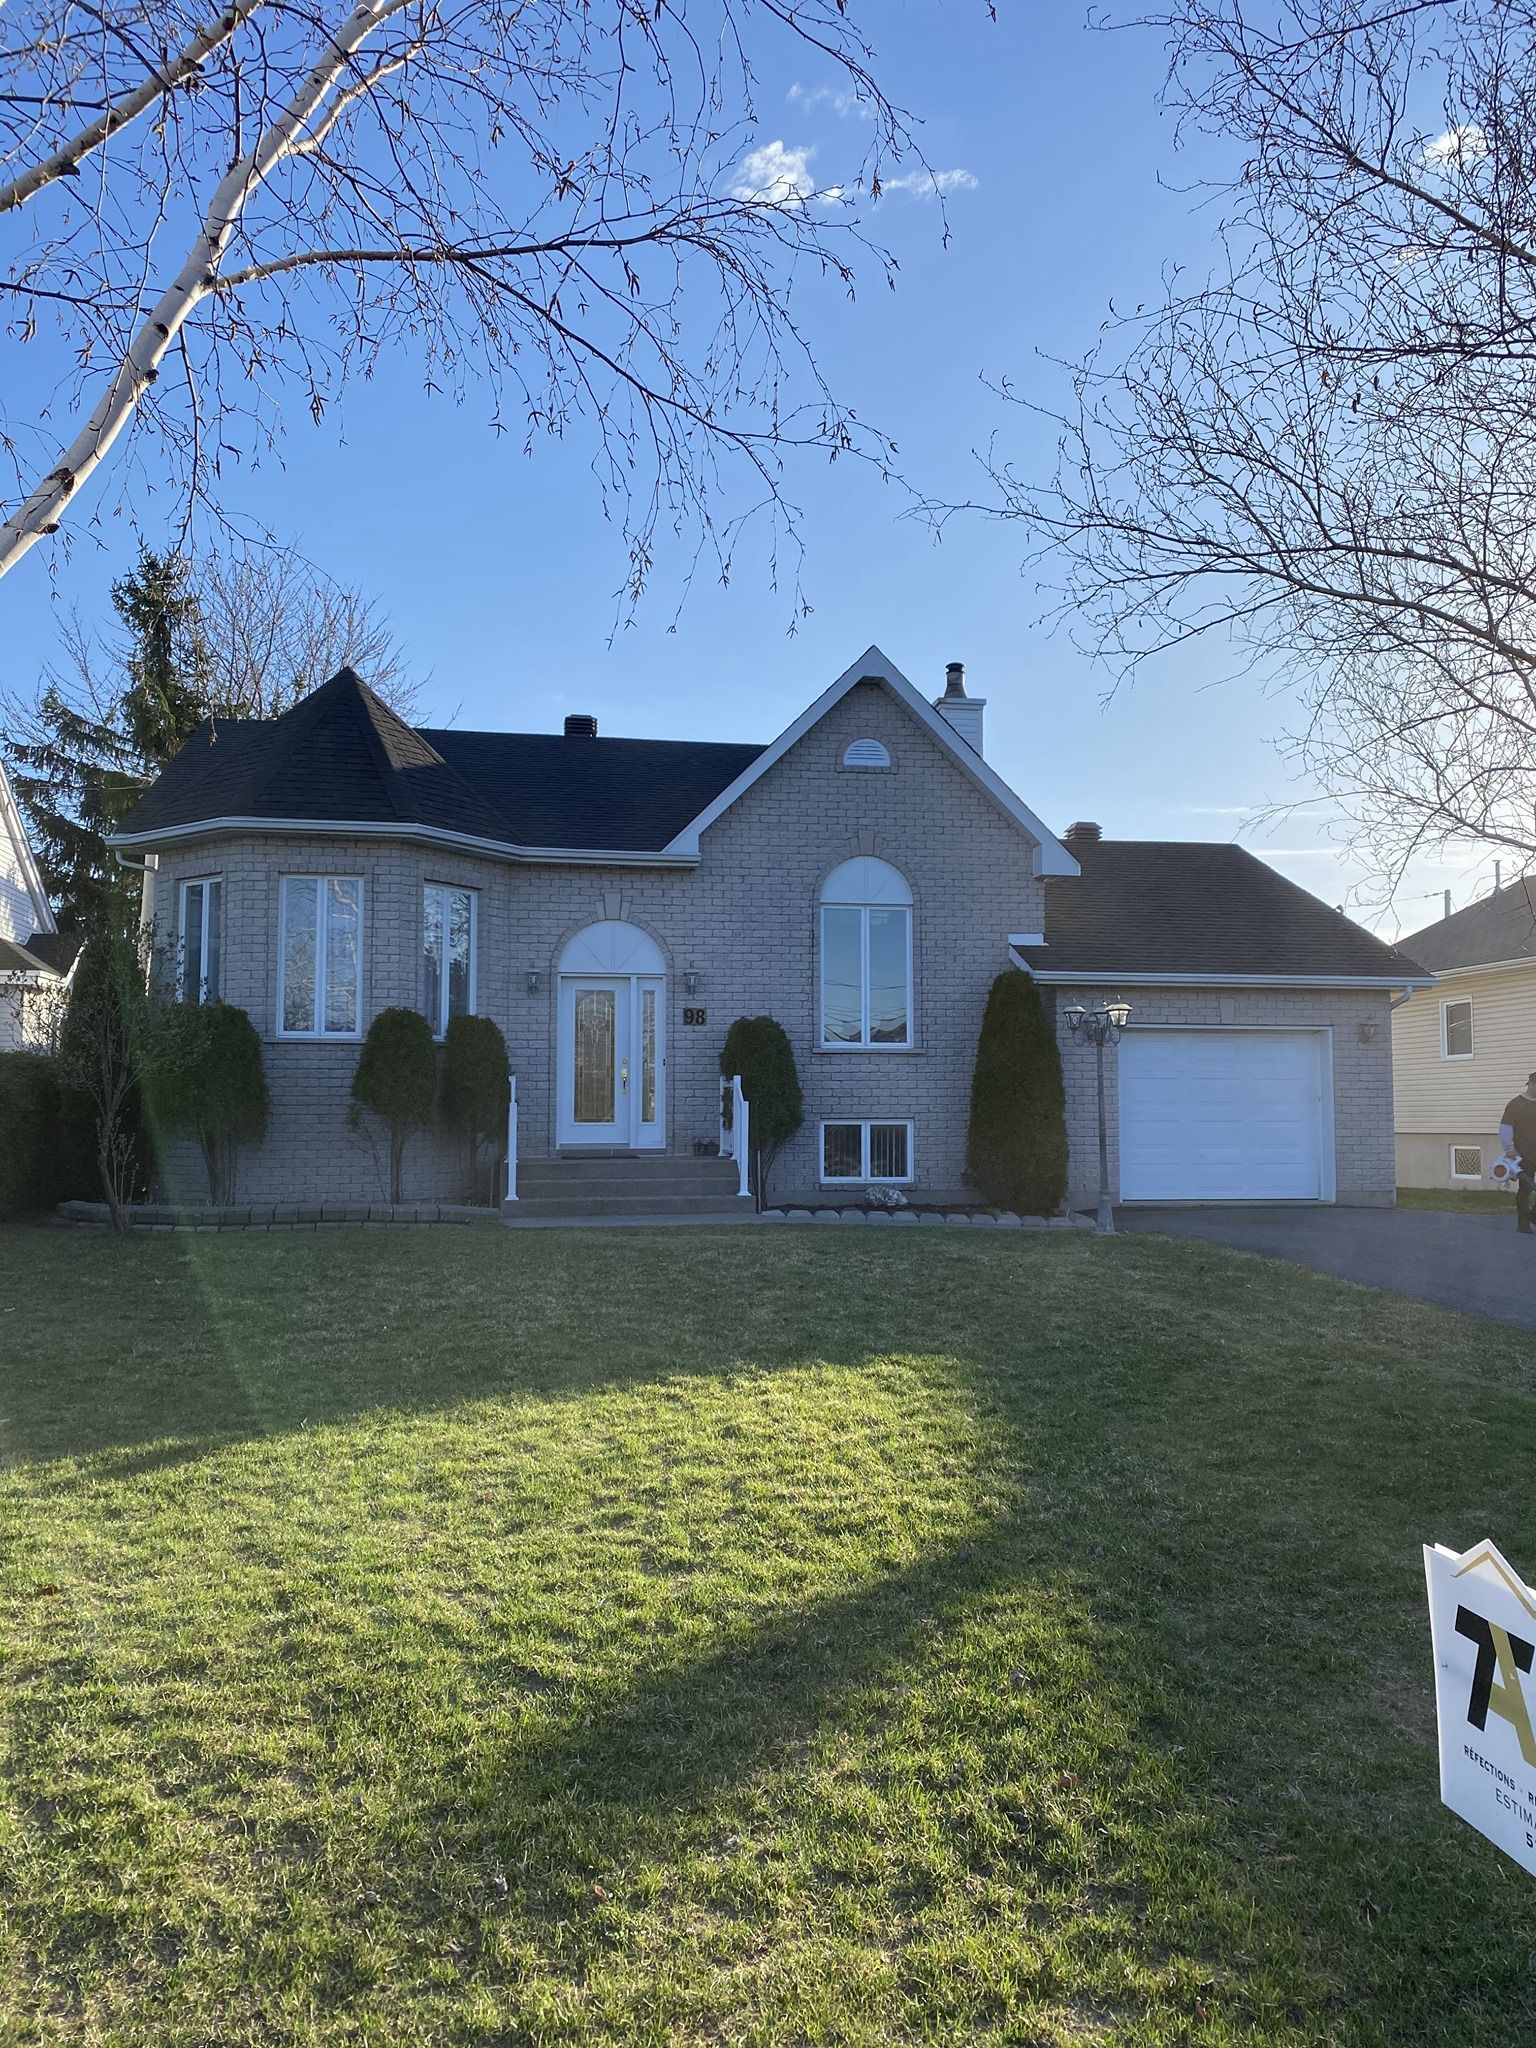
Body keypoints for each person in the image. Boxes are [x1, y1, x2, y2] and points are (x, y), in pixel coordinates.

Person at [1498, 1073, 1536, 1234]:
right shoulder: (1515, 1104)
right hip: (1523, 1154)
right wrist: (1509, 1149)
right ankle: (1523, 1222)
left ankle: (1533, 1215)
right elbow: (1505, 1127)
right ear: (1531, 1084)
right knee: (1526, 1189)